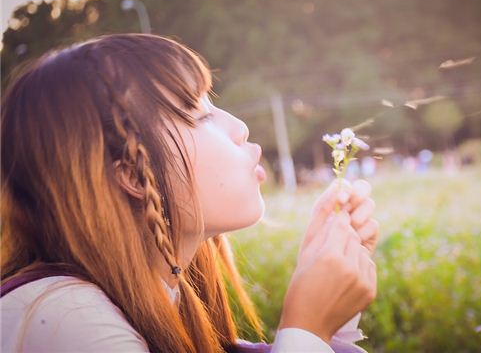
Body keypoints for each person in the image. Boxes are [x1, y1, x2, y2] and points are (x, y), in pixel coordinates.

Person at [1, 34, 379, 352]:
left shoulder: (160, 301)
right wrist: (306, 327)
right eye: (197, 113)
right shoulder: (67, 320)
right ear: (133, 173)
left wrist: (329, 310)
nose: (240, 128)